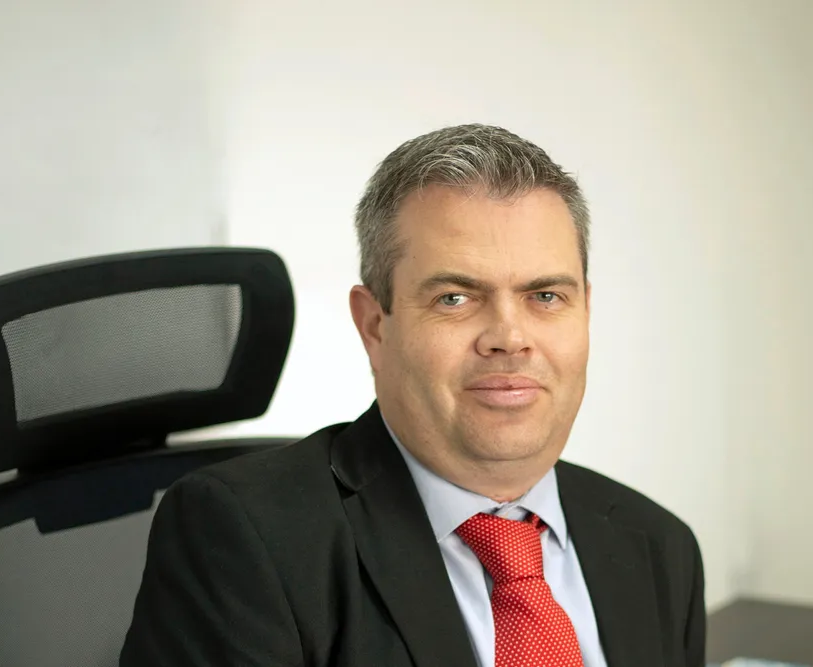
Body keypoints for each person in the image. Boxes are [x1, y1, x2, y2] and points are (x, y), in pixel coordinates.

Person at [120, 124, 706, 667]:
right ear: (375, 325)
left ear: (586, 311)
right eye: (455, 298)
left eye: (546, 296)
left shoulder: (660, 548)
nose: (509, 338)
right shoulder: (245, 538)